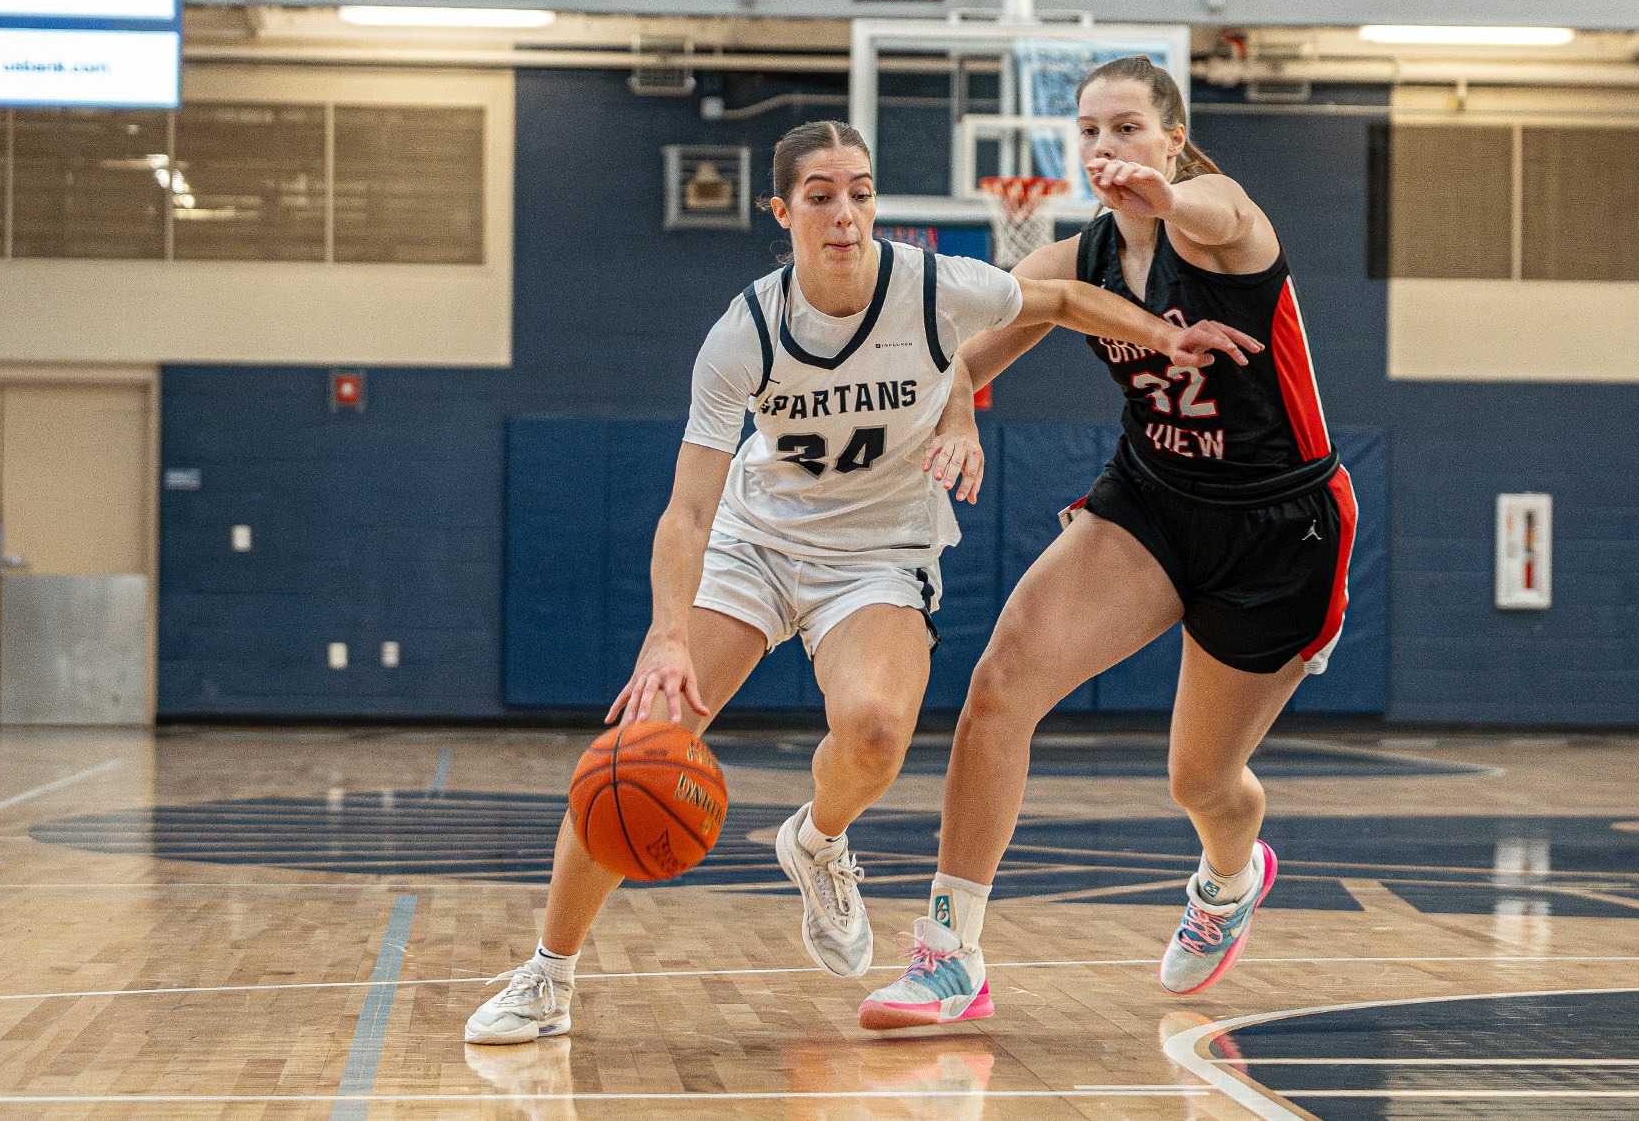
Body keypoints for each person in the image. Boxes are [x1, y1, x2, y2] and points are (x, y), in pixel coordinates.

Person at [466, 118, 1260, 1045]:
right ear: (783, 211)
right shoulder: (746, 331)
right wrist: (667, 633)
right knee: (642, 744)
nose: (845, 214)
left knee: (878, 732)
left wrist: (1163, 338)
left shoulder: (930, 286)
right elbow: (687, 511)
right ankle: (547, 975)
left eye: (861, 192)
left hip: (878, 557)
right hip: (754, 546)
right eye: (821, 196)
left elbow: (1059, 302)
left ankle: (817, 839)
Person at [860, 56, 1357, 1030]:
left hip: (1278, 528)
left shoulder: (1218, 221)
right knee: (999, 689)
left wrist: (1167, 193)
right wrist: (956, 413)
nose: (1105, 148)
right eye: (1090, 130)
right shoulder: (1069, 259)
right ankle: (947, 954)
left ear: (1169, 135)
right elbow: (963, 356)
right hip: (1149, 503)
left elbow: (1215, 208)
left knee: (1199, 780)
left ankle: (1227, 877)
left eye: (1127, 127)